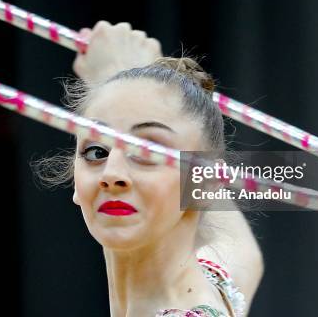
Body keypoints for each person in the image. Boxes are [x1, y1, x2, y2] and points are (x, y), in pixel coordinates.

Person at [32, 21, 264, 316]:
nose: (112, 174)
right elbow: (242, 249)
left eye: (146, 151)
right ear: (76, 183)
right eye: (96, 151)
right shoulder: (217, 287)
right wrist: (127, 80)